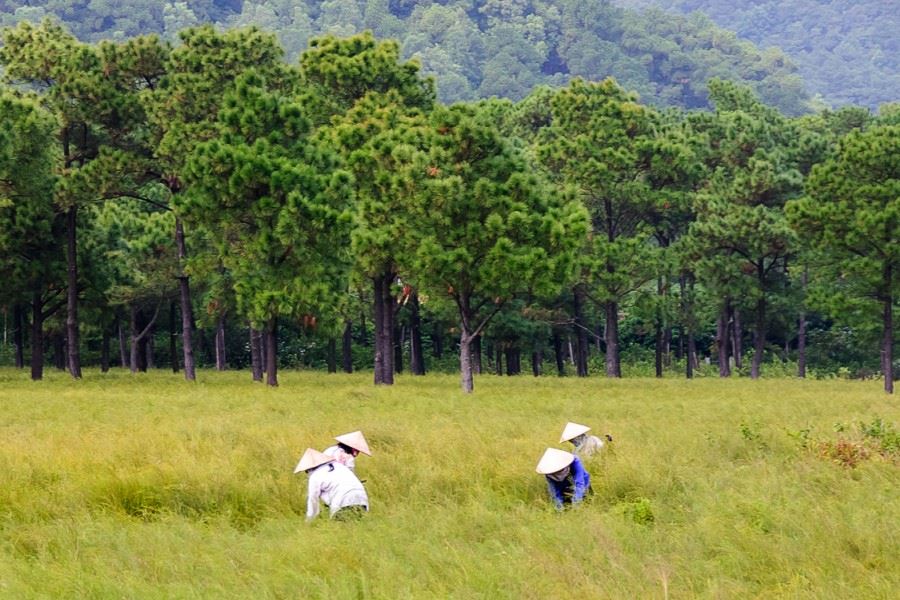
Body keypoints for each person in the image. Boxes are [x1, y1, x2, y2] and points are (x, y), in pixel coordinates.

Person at [294, 448, 369, 521]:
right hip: (362, 500)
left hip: (342, 502)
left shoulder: (315, 476)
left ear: (309, 469)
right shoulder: (340, 466)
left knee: (340, 530)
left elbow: (313, 500)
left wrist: (309, 521)